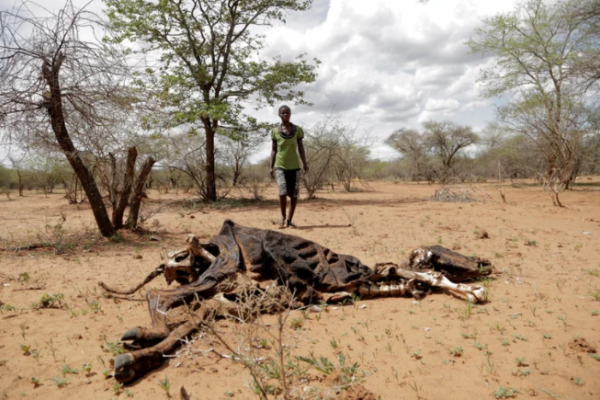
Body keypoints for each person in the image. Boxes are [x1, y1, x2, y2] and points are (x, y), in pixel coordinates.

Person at [270, 105, 309, 228]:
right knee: (282, 191)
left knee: (294, 194)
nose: (285, 115)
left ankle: (290, 220)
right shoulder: (274, 131)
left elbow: (301, 147)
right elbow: (274, 150)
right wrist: (271, 167)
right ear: (279, 115)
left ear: (290, 114)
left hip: (294, 166)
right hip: (280, 165)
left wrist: (305, 163)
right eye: (283, 113)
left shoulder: (298, 130)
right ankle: (282, 216)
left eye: (287, 113)